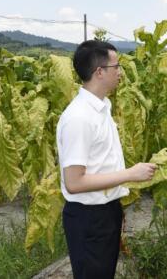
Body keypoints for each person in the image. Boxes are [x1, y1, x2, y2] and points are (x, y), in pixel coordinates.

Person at [56, 40, 156, 279]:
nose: (121, 72)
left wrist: (115, 207)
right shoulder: (79, 117)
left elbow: (101, 164)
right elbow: (75, 182)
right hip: (89, 217)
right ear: (99, 72)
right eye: (116, 67)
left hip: (104, 211)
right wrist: (131, 174)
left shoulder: (100, 108)